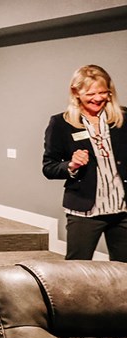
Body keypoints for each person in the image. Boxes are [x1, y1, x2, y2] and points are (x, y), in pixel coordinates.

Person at [43, 64, 127, 261]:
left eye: (103, 92)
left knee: (123, 271)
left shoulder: (123, 118)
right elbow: (49, 167)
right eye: (90, 93)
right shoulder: (61, 123)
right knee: (76, 268)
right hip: (84, 210)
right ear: (76, 92)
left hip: (122, 209)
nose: (98, 98)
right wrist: (71, 165)